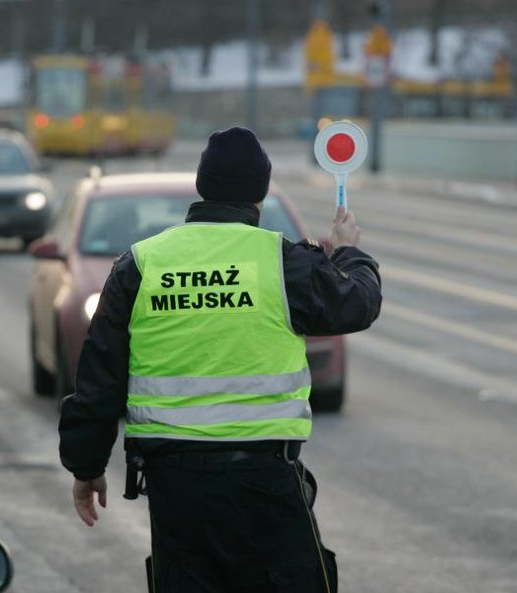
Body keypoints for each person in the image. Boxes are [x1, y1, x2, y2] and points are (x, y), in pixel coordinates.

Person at [59, 127, 382, 592]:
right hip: (266, 481)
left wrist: (86, 467)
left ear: (202, 187)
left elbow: (98, 377)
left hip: (176, 488)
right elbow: (359, 305)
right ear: (261, 193)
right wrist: (348, 252)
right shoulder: (281, 261)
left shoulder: (142, 263)